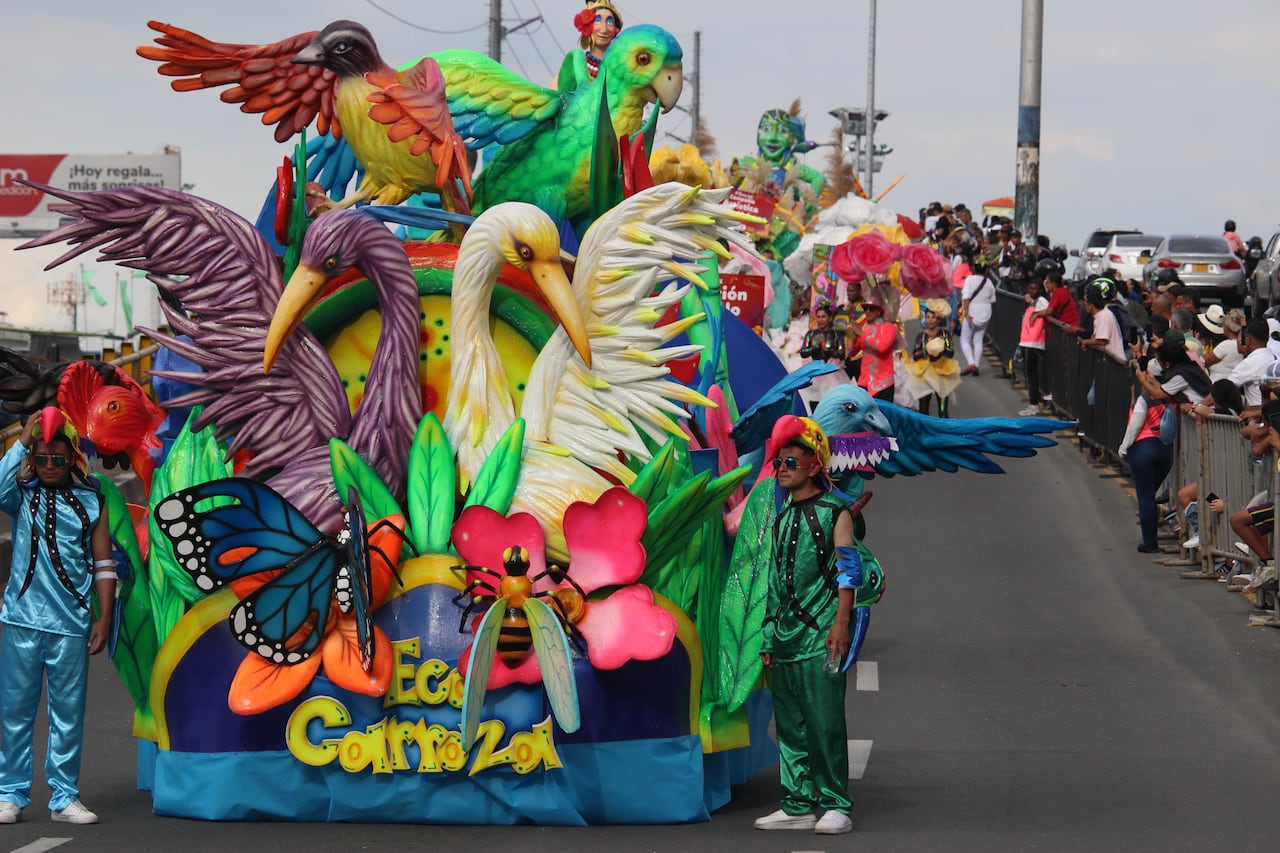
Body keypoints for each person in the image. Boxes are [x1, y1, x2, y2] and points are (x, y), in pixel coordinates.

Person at [0, 409, 114, 826]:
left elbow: (104, 565)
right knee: (15, 712)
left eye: (58, 458)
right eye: (42, 458)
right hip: (22, 620)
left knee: (68, 715)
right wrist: (20, 441)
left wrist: (103, 617)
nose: (49, 466)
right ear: (32, 460)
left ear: (73, 458)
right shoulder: (20, 494)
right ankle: (10, 793)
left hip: (71, 624)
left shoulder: (92, 499)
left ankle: (64, 796)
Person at [755, 417, 857, 836]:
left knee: (824, 721)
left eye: (791, 462)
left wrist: (841, 624)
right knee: (790, 725)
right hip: (784, 640)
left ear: (815, 466)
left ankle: (836, 803)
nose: (781, 469)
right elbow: (774, 582)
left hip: (820, 637)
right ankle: (797, 803)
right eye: (778, 462)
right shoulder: (780, 519)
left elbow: (848, 572)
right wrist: (767, 635)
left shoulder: (837, 511)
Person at [1124, 340, 1212, 552]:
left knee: (1146, 497)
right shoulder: (1191, 371)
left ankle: (1149, 541)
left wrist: (1141, 381)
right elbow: (1162, 391)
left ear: (1168, 362)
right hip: (1167, 449)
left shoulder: (1175, 380)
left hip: (1146, 446)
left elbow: (1155, 396)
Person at [904, 298, 961, 417]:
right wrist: (927, 351)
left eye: (933, 317)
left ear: (939, 319)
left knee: (943, 408)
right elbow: (915, 355)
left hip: (942, 372)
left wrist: (941, 350)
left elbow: (951, 352)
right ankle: (925, 432)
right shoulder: (922, 336)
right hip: (924, 373)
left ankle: (944, 431)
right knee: (923, 408)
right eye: (928, 317)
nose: (930, 320)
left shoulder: (944, 334)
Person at [556, 0, 622, 91]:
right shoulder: (575, 69)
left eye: (610, 22)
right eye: (597, 20)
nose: (604, 29)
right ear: (587, 26)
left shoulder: (621, 70)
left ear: (616, 29)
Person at [852, 300, 897, 402]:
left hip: (883, 384)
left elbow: (882, 347)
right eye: (865, 309)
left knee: (883, 416)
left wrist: (861, 335)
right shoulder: (864, 327)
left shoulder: (889, 327)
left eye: (871, 309)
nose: (867, 312)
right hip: (864, 382)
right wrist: (853, 338)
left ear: (879, 312)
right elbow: (851, 353)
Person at [1018, 279, 1050, 416]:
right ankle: (1034, 401)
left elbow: (1048, 311)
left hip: (1034, 341)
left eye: (1035, 288)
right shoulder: (1033, 301)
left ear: (1040, 290)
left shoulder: (1041, 300)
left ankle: (1034, 403)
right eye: (1030, 288)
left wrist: (1037, 314)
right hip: (1028, 341)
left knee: (1032, 372)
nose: (1032, 291)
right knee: (1030, 372)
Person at [959, 262, 997, 375]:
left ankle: (971, 363)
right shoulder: (989, 282)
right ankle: (976, 365)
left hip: (972, 310)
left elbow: (966, 298)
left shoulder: (970, 279)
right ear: (986, 270)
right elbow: (993, 300)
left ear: (974, 268)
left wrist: (966, 313)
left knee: (965, 339)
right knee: (978, 339)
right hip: (985, 311)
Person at [1228, 320, 1276, 407]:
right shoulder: (1273, 357)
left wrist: (1200, 405)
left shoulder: (1249, 363)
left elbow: (1225, 388)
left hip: (1257, 417)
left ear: (1248, 339)